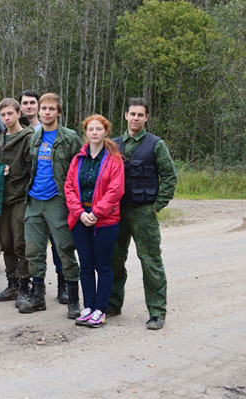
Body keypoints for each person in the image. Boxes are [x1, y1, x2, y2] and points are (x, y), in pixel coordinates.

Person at [110, 98, 177, 330]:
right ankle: (112, 304)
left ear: (146, 118)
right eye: (133, 114)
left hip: (144, 212)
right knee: (114, 260)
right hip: (117, 212)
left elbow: (169, 176)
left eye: (141, 115)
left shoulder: (156, 145)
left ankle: (157, 312)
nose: (136, 118)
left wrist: (157, 205)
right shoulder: (114, 144)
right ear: (125, 115)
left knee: (150, 262)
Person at [19, 93, 82, 317]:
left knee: (64, 248)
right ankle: (37, 297)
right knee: (34, 251)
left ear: (58, 112)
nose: (46, 112)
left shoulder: (70, 138)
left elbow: (79, 171)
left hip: (58, 201)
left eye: (51, 109)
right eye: (43, 108)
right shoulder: (34, 138)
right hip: (35, 200)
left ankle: (73, 299)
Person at [64, 115, 124, 328]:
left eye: (99, 129)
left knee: (103, 265)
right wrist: (80, 213)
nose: (95, 132)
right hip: (80, 218)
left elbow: (115, 190)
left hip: (105, 220)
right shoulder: (78, 159)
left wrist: (96, 213)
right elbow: (69, 188)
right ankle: (88, 306)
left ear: (105, 132)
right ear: (86, 132)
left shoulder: (114, 159)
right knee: (86, 265)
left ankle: (101, 309)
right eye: (91, 129)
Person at [0, 98, 34, 304]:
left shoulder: (28, 137)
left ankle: (26, 286)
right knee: (5, 242)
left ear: (18, 113)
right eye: (3, 115)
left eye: (10, 114)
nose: (7, 118)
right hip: (3, 198)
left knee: (20, 242)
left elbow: (32, 169)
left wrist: (13, 173)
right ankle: (12, 284)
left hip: (21, 197)